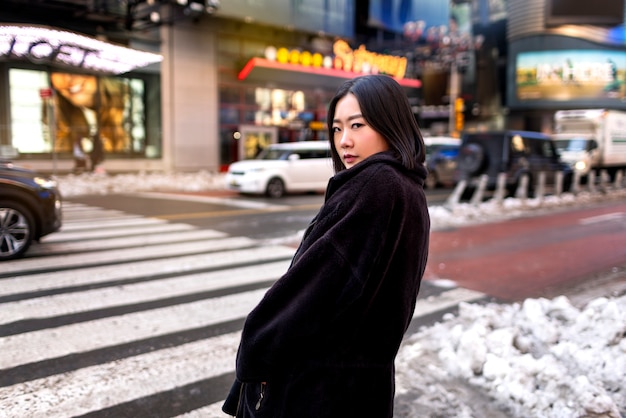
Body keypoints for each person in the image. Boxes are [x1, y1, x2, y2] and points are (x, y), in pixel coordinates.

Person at [222, 74, 431, 418]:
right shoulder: (408, 190)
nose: (344, 141)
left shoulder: (375, 186)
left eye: (357, 125)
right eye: (336, 129)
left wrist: (257, 345)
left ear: (389, 123)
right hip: (362, 387)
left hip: (320, 389)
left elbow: (317, 287)